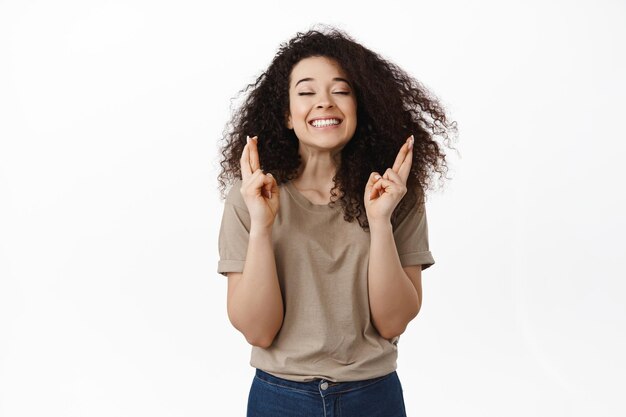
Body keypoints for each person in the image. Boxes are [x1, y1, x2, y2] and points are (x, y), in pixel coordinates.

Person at [217, 25, 456, 417]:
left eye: (341, 91)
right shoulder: (251, 196)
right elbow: (258, 331)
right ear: (287, 116)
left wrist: (380, 223)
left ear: (361, 108)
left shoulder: (395, 194)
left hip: (374, 396)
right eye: (306, 92)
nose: (324, 103)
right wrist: (261, 227)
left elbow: (393, 322)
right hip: (280, 398)